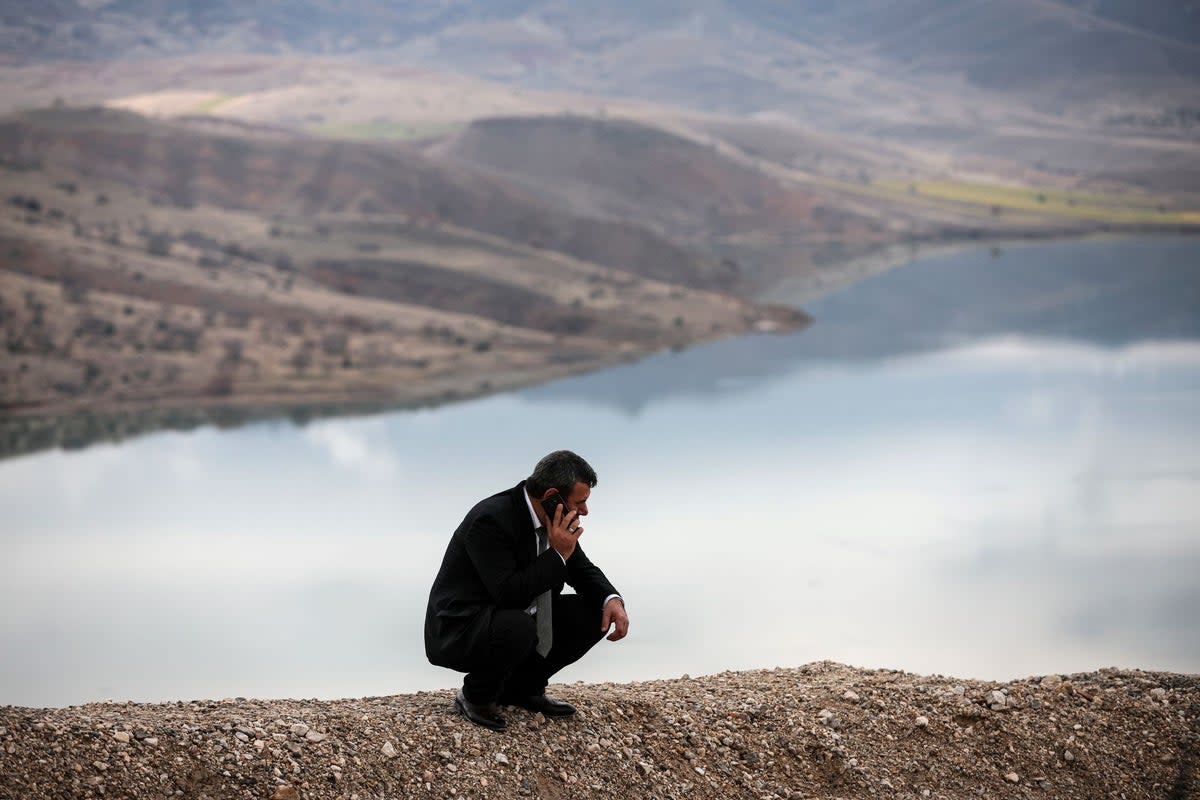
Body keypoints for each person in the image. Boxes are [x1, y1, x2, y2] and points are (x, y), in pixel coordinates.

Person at [424, 450, 629, 731]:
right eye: (579, 502)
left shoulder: (553, 523)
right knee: (518, 624)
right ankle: (475, 697)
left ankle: (523, 690)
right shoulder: (491, 520)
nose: (584, 511)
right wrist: (557, 554)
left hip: (512, 620)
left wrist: (612, 599)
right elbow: (508, 594)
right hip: (462, 627)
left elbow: (581, 569)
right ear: (553, 495)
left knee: (595, 611)